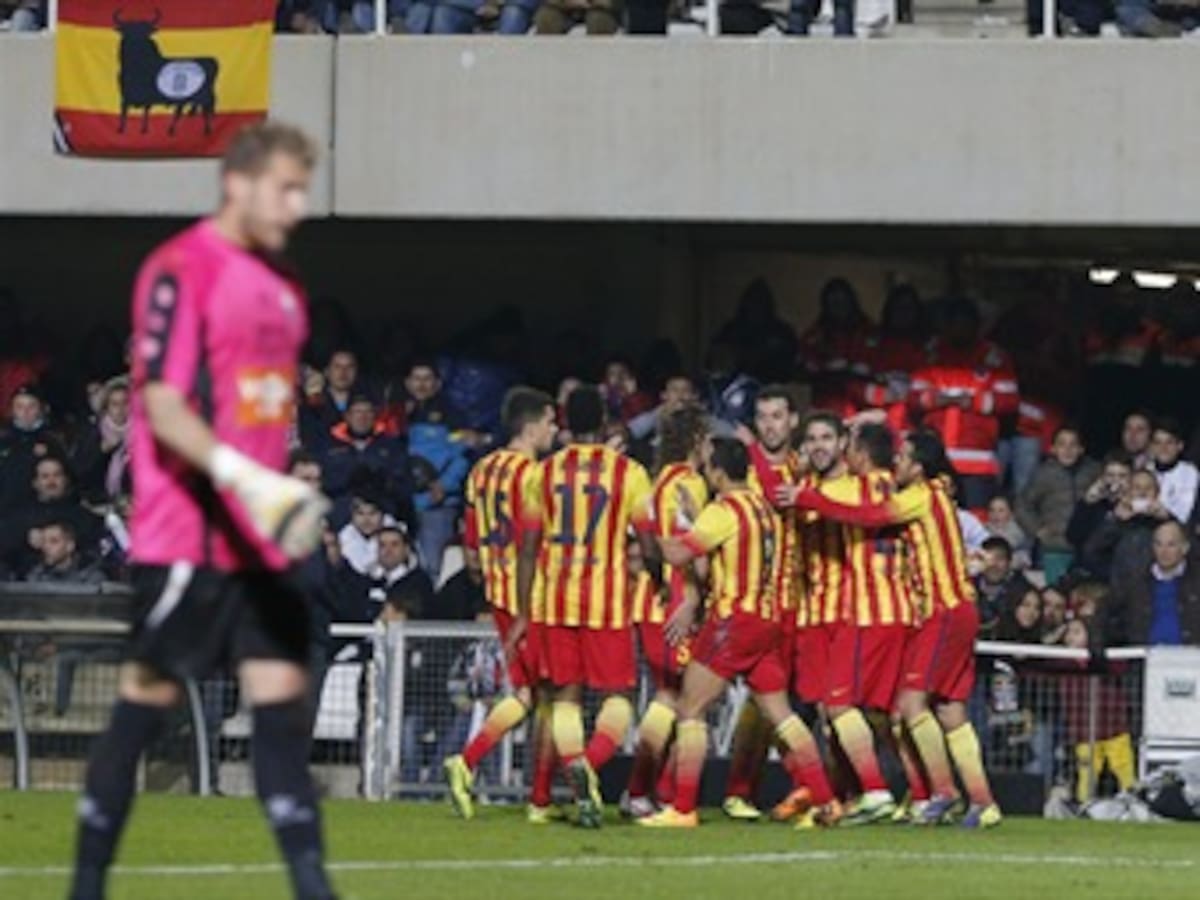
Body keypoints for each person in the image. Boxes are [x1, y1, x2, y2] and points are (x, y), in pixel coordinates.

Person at [68, 123, 335, 900]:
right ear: (238, 185)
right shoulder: (181, 270)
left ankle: (315, 888)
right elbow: (162, 403)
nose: (296, 206)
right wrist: (242, 480)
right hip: (186, 537)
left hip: (258, 544)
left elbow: (258, 416)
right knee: (144, 709)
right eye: (285, 189)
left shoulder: (284, 292)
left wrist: (275, 492)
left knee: (284, 709)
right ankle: (85, 885)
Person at [786, 429, 1003, 829]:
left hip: (941, 610)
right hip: (952, 609)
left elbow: (869, 516)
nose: (896, 462)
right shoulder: (936, 494)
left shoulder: (919, 495)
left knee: (908, 704)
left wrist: (807, 497)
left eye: (903, 457)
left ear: (919, 466)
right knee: (950, 710)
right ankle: (984, 803)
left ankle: (942, 792)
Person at [638, 438, 840, 830]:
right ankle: (827, 800)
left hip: (733, 622)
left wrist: (649, 527)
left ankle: (682, 808)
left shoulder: (724, 509)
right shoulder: (763, 508)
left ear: (716, 471)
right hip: (767, 621)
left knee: (690, 709)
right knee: (781, 714)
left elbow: (680, 556)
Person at [519, 385, 655, 829]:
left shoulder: (543, 473)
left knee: (565, 697)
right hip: (607, 602)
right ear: (602, 422)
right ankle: (588, 765)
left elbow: (527, 548)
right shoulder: (629, 473)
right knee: (619, 697)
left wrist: (523, 611)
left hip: (554, 601)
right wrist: (658, 580)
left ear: (566, 422)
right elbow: (648, 541)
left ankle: (563, 778)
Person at [444, 387, 560, 824]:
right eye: (549, 422)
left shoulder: (481, 471)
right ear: (531, 427)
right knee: (548, 695)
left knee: (530, 694)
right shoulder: (533, 475)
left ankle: (479, 769)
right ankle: (537, 798)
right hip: (530, 594)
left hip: (498, 592)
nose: (554, 430)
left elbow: (471, 545)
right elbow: (539, 539)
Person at [624, 405, 709, 820]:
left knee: (674, 696)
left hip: (651, 599)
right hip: (676, 601)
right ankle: (644, 790)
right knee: (677, 698)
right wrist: (693, 598)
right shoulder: (689, 484)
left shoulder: (660, 481)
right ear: (696, 440)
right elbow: (690, 546)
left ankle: (655, 790)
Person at [723, 386, 804, 822]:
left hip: (798, 603)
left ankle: (806, 786)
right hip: (751, 602)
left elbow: (781, 497)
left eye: (778, 416)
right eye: (763, 417)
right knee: (763, 701)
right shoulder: (740, 471)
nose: (771, 424)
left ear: (793, 421)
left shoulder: (803, 466)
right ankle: (747, 788)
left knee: (781, 702)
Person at [909, 297, 1019, 511]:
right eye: (955, 323)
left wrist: (973, 401)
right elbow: (913, 397)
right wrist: (936, 400)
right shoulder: (932, 354)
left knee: (976, 522)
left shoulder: (993, 357)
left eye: (965, 323)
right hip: (936, 459)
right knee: (935, 519)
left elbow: (1009, 401)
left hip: (977, 460)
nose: (960, 329)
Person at [1016, 424, 1101, 584]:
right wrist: (1037, 530)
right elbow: (1022, 504)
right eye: (1062, 444)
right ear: (1053, 449)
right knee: (1055, 596)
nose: (1067, 450)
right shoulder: (1044, 474)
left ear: (1081, 449)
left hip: (1088, 548)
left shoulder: (1093, 471)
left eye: (1073, 445)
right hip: (1055, 547)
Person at [1110, 520, 1200, 647]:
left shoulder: (1196, 582)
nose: (1164, 551)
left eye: (1171, 545)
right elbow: (1110, 615)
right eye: (1158, 544)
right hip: (1145, 658)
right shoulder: (1134, 582)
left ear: (1185, 548)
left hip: (1191, 661)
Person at [1066, 451, 1134, 577]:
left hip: (1117, 576)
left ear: (1131, 479)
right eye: (1110, 475)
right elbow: (1072, 537)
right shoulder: (1092, 504)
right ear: (1102, 478)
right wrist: (1086, 502)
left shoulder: (1135, 508)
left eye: (1122, 476)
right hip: (1084, 573)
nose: (1116, 481)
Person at [974, 536, 1033, 640]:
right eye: (988, 559)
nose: (993, 565)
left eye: (999, 559)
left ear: (1009, 562)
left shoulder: (1023, 590)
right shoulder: (966, 587)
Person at [1149, 418, 1198, 526]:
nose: (1163, 448)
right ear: (1151, 447)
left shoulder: (1189, 473)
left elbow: (1183, 512)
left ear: (1180, 446)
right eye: (1158, 443)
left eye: (1169, 442)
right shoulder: (1146, 469)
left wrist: (1163, 512)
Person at [25, 520, 104, 585]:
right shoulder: (35, 577)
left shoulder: (91, 578)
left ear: (70, 545)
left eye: (54, 541)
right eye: (43, 541)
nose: (46, 547)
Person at [984, 495, 1032, 570]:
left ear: (1010, 513)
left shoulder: (1018, 532)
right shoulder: (982, 530)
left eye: (1001, 510)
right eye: (992, 510)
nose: (996, 515)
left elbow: (1024, 559)